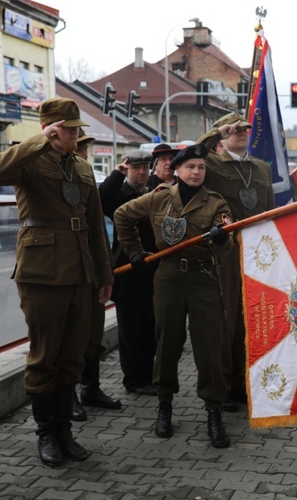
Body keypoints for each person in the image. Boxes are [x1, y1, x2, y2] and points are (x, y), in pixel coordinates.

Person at [0, 97, 113, 468]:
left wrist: (104, 276)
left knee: (72, 357)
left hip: (80, 272)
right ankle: (46, 435)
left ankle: (64, 432)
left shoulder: (83, 169)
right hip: (41, 272)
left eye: (77, 130)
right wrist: (39, 140)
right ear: (53, 129)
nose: (76, 136)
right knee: (45, 357)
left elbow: (94, 226)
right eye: (70, 130)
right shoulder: (29, 159)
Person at [114, 144, 233, 448]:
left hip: (203, 278)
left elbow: (228, 242)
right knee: (167, 342)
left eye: (201, 167)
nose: (196, 173)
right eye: (190, 167)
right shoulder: (159, 198)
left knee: (209, 346)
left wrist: (221, 239)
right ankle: (164, 404)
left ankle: (214, 411)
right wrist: (135, 251)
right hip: (168, 277)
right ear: (177, 171)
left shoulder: (216, 202)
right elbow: (121, 215)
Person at [197, 111, 275, 412]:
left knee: (255, 317)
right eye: (234, 130)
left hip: (258, 250)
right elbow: (195, 153)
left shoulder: (261, 168)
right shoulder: (214, 164)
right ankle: (225, 385)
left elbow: (268, 208)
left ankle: (247, 382)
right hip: (227, 251)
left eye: (244, 128)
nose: (241, 132)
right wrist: (217, 132)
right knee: (227, 318)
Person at [69, 132, 122, 422]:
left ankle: (91, 388)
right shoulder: (59, 179)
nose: (84, 155)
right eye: (81, 149)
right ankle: (71, 394)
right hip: (70, 269)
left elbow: (100, 229)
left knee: (93, 333)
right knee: (74, 337)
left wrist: (105, 273)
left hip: (91, 268)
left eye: (85, 149)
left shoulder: (85, 175)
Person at [99, 150, 158, 398]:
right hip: (128, 271)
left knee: (150, 329)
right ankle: (133, 379)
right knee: (130, 331)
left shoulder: (155, 194)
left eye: (145, 168)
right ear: (128, 170)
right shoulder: (119, 195)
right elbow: (100, 199)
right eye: (136, 168)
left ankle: (147, 376)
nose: (142, 173)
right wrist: (116, 173)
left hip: (153, 270)